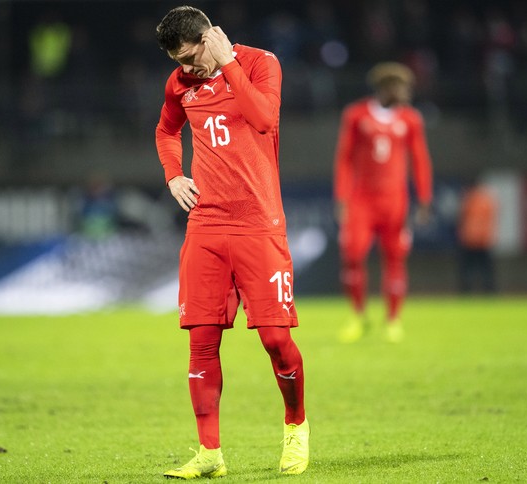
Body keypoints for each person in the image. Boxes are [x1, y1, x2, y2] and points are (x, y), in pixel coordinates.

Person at [154, 6, 308, 479]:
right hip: (206, 226)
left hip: (259, 224)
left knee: (276, 340)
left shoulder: (261, 63)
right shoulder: (180, 82)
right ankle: (209, 454)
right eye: (177, 62)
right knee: (201, 342)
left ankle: (296, 428)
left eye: (189, 57)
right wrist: (175, 175)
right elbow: (165, 130)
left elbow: (263, 119)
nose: (185, 70)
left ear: (208, 39)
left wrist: (226, 65)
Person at [333, 62, 433, 344]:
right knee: (352, 255)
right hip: (361, 201)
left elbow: (420, 159)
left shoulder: (411, 119)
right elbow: (344, 159)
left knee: (395, 258)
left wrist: (424, 198)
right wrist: (341, 197)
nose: (406, 92)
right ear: (386, 88)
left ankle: (393, 320)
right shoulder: (356, 115)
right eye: (401, 87)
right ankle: (358, 316)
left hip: (395, 202)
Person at [457, 178, 498, 294]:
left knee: (468, 268)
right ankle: (489, 291)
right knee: (486, 268)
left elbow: (461, 217)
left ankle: (466, 291)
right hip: (484, 238)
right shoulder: (488, 199)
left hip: (470, 238)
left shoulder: (468, 198)